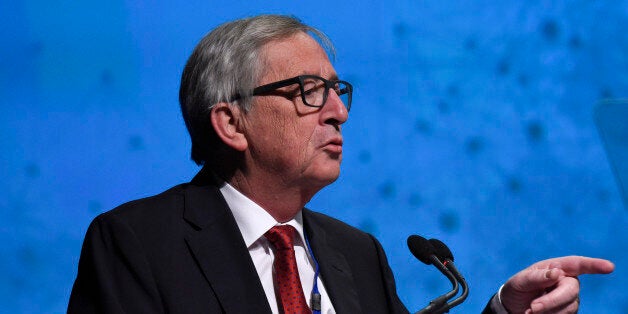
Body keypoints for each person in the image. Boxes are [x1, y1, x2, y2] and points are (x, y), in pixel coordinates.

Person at [68, 14, 614, 313]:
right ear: (231, 123)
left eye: (338, 91)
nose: (340, 112)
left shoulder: (357, 253)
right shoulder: (136, 242)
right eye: (308, 91)